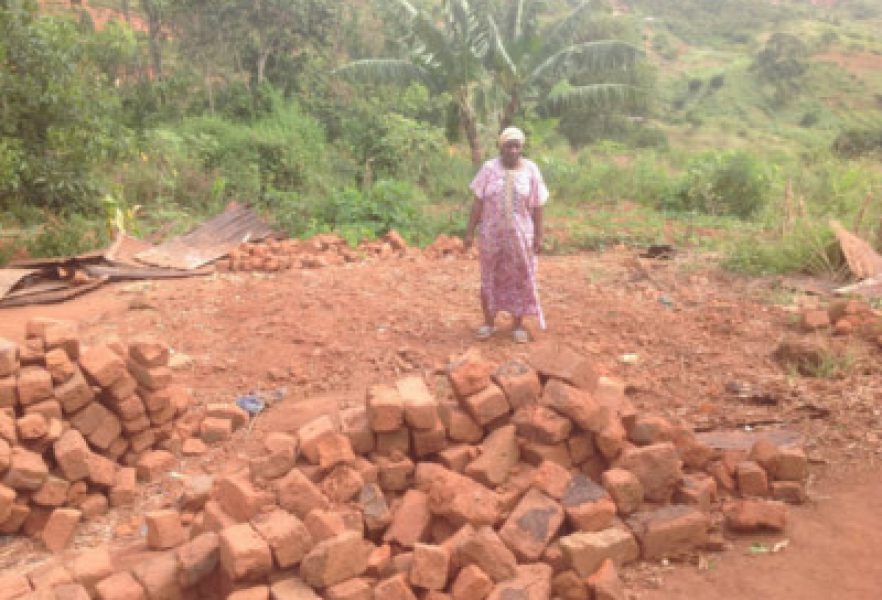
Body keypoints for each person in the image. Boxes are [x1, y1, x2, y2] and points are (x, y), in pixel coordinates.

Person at [463, 126, 549, 343]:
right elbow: (478, 203)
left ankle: (517, 325)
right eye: (508, 146)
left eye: (516, 146)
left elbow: (538, 205)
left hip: (521, 236)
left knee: (520, 277)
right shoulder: (489, 169)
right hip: (491, 236)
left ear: (521, 148)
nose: (512, 150)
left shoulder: (531, 170)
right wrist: (469, 233)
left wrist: (539, 235)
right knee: (489, 276)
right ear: (501, 147)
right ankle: (488, 322)